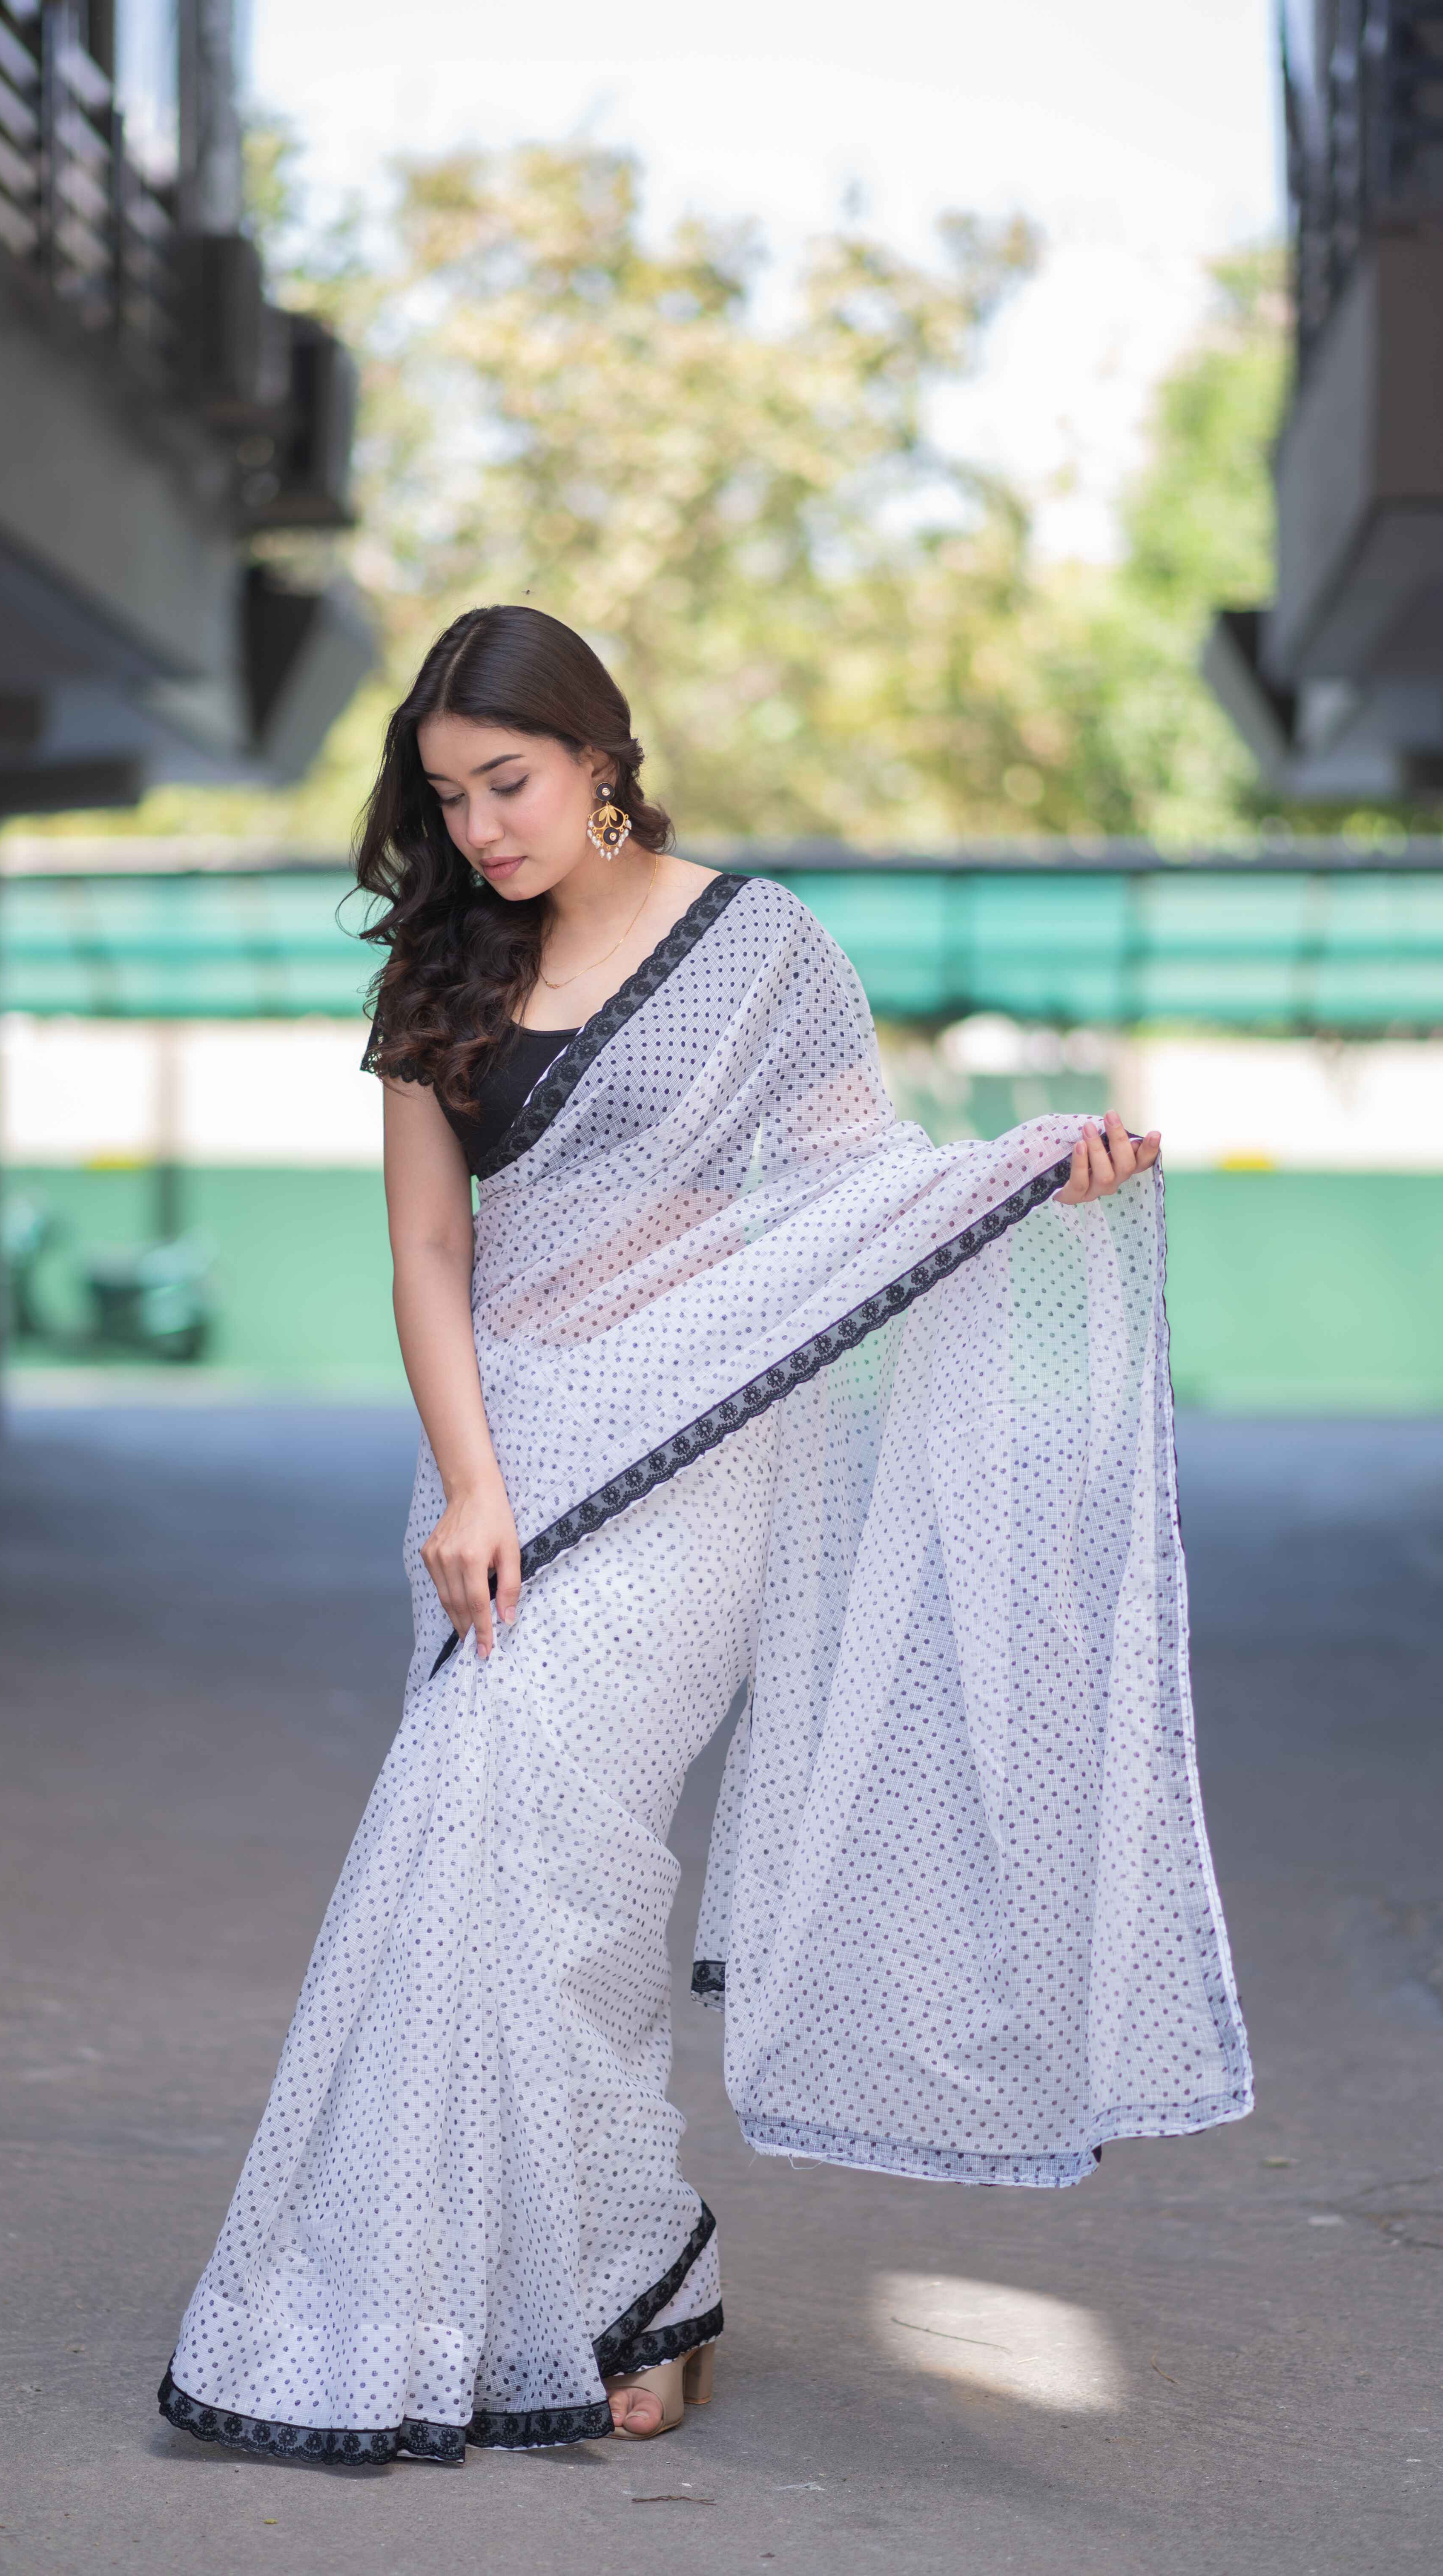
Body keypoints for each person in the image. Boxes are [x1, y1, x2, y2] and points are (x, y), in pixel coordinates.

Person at [159, 604, 1251, 2465]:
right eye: (447, 798)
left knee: (557, 1867)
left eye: (508, 784)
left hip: (690, 1464)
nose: (479, 829)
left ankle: (618, 2271)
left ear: (602, 758)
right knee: (484, 1871)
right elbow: (427, 1248)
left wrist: (1027, 1178)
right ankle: (585, 2279)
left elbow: (851, 1194)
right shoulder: (440, 963)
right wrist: (475, 1480)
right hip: (504, 1460)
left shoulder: (762, 951)